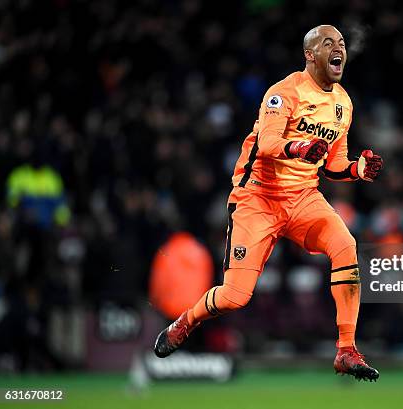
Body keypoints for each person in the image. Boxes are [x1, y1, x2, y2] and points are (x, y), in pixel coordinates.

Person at [154, 25, 383, 381]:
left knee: (346, 245)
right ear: (310, 55)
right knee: (234, 297)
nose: (338, 49)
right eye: (328, 43)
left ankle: (346, 349)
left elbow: (335, 166)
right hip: (257, 197)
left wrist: (358, 169)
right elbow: (269, 142)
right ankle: (186, 322)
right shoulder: (283, 92)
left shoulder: (343, 104)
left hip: (303, 197)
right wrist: (299, 147)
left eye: (341, 43)